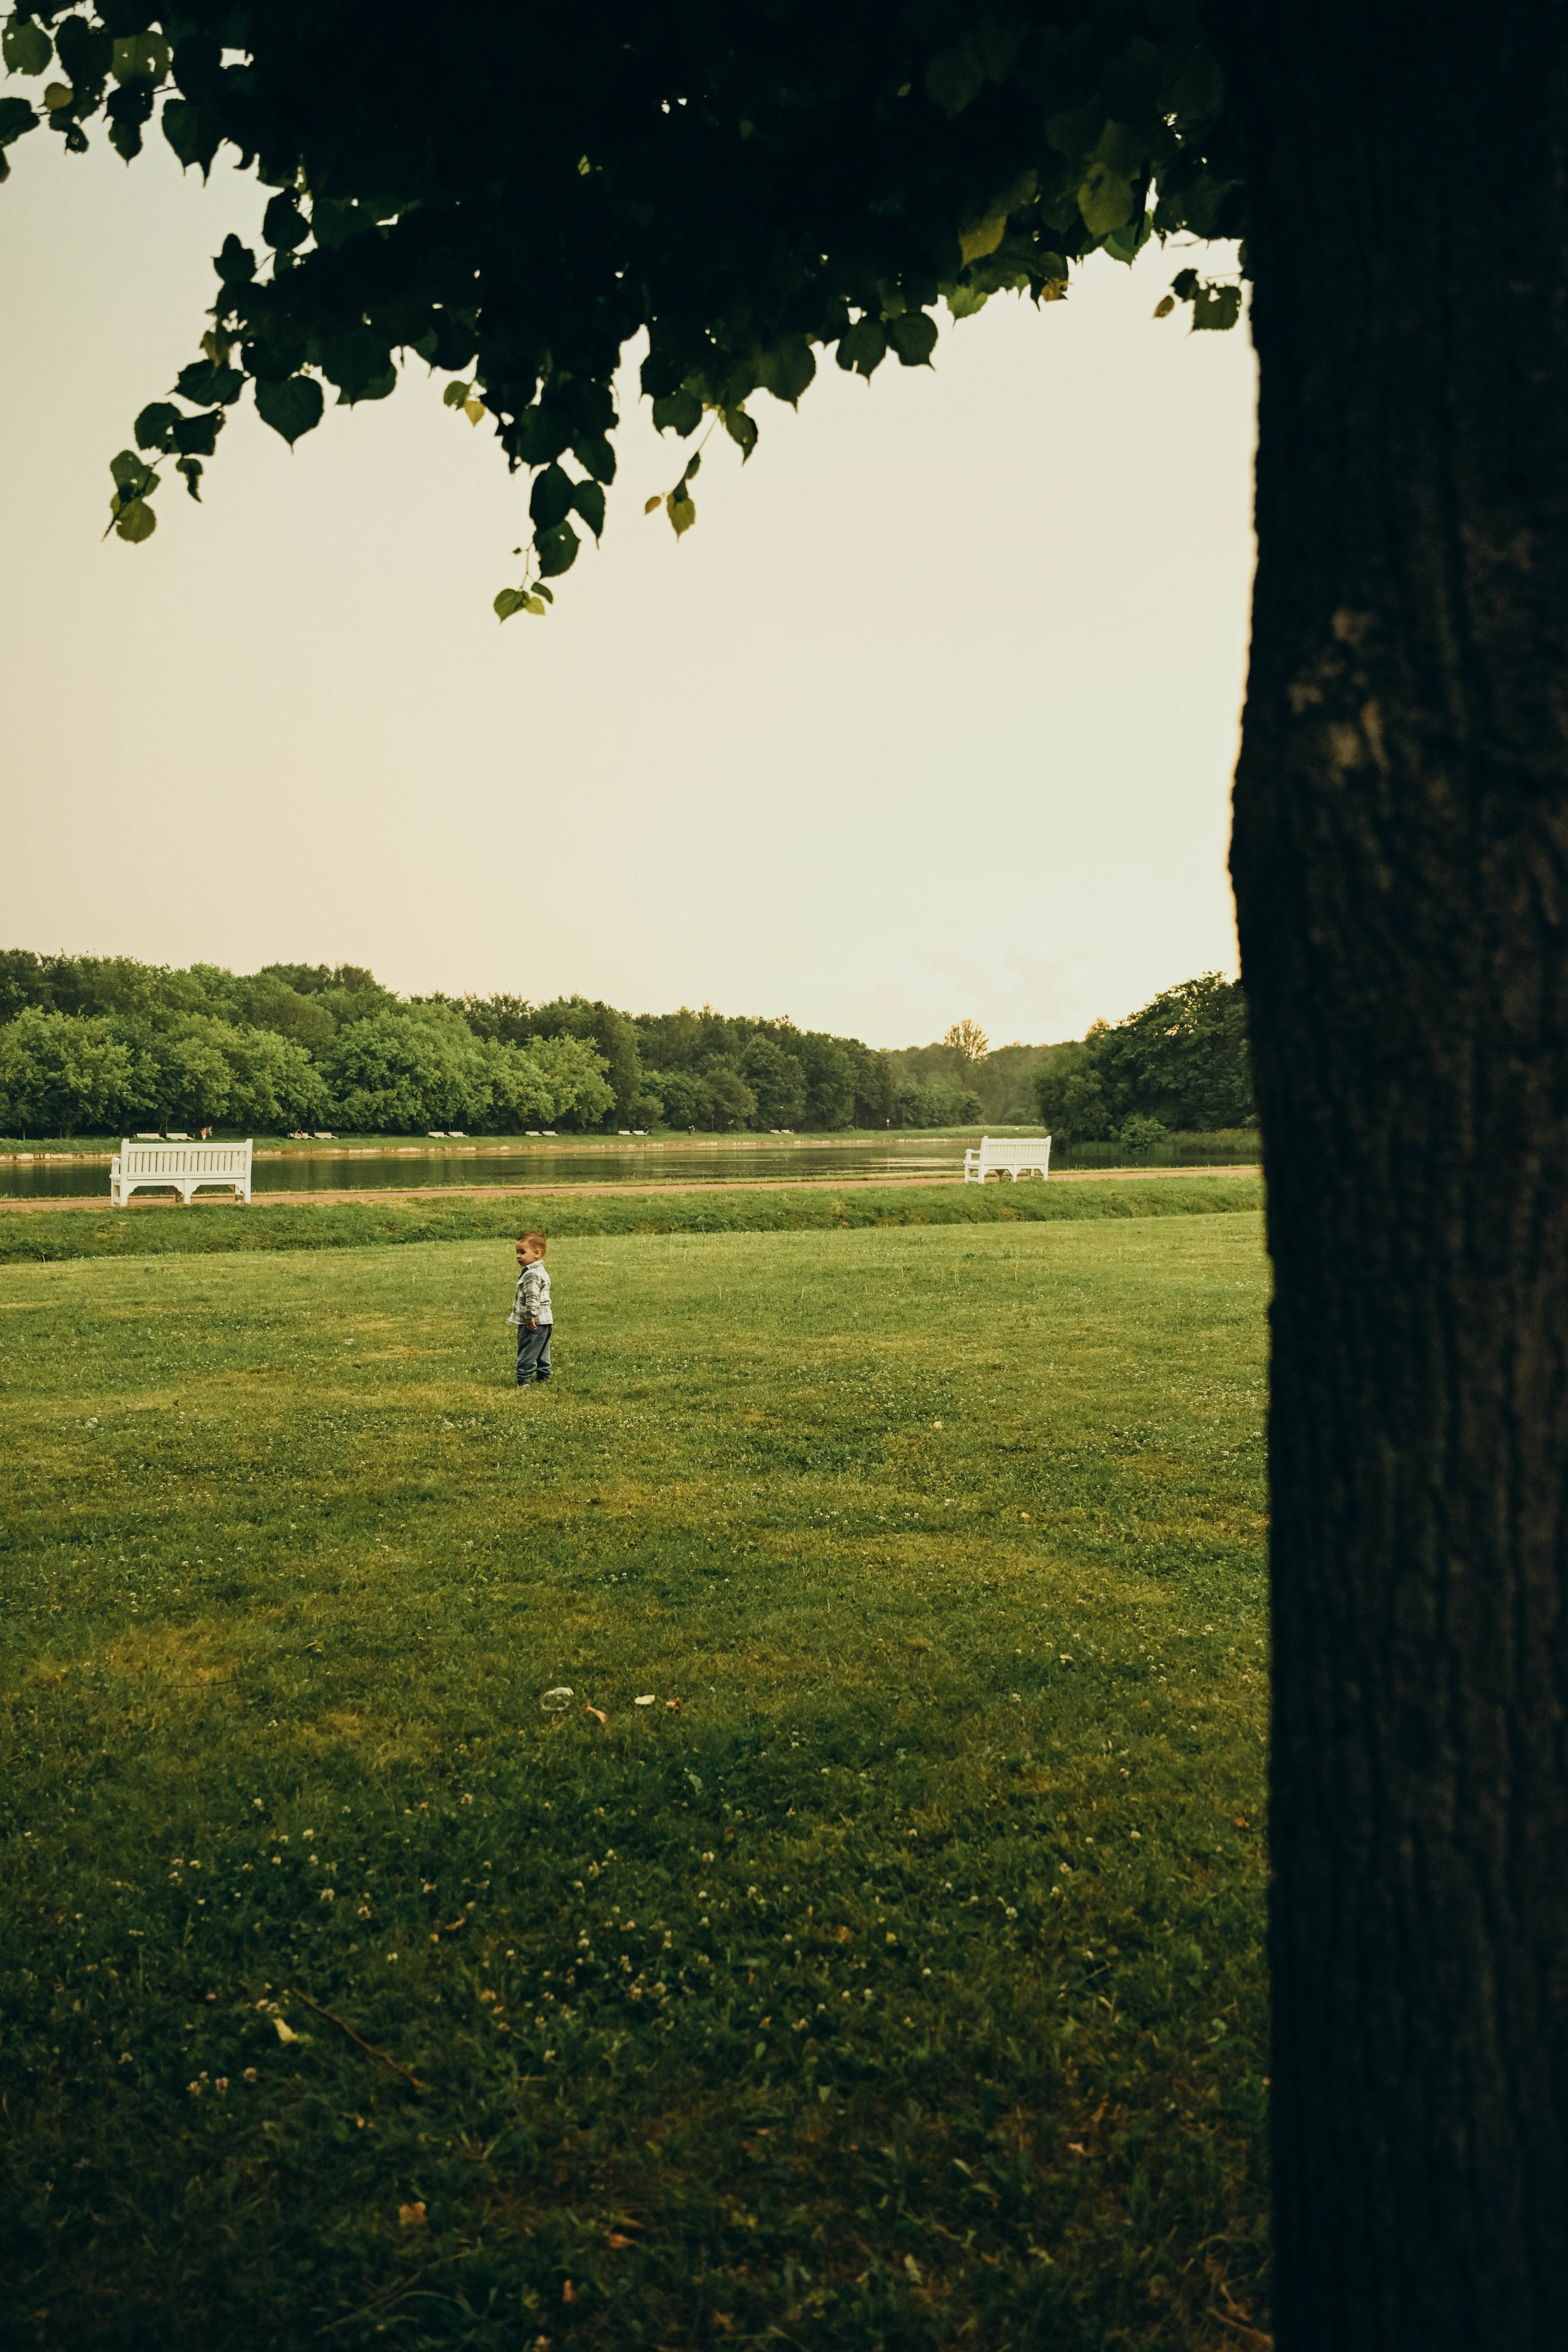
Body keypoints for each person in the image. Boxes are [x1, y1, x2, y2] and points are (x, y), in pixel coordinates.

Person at [507, 1230, 553, 1385]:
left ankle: (523, 1378)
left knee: (528, 1348)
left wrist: (529, 1316)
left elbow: (533, 1297)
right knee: (542, 1349)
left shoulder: (532, 1274)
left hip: (534, 1321)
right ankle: (544, 1374)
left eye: (522, 1252)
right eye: (517, 1253)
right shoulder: (540, 1271)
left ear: (537, 1253)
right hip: (546, 1319)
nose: (518, 1256)